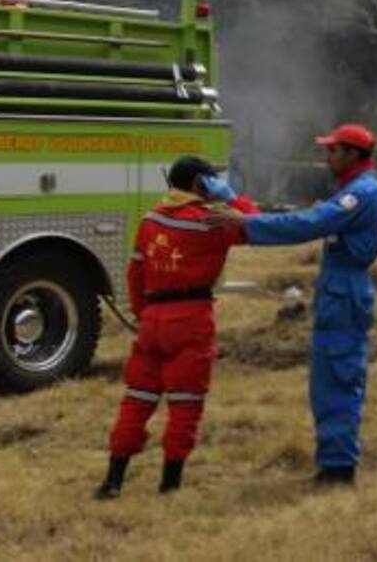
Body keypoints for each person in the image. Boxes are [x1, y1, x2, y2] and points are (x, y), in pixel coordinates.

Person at [96, 156, 258, 499]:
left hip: (152, 319)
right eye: (212, 179)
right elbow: (255, 225)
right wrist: (232, 199)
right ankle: (169, 485)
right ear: (201, 183)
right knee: (185, 405)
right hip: (191, 319)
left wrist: (144, 316)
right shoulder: (211, 221)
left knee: (137, 400)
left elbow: (135, 274)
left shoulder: (150, 220)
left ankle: (113, 481)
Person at [238, 122, 377, 488]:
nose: (327, 157)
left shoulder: (362, 193)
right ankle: (332, 462)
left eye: (333, 150)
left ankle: (339, 469)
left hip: (346, 292)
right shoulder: (354, 190)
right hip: (338, 290)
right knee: (326, 382)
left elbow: (310, 224)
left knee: (338, 378)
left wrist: (247, 227)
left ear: (353, 154)